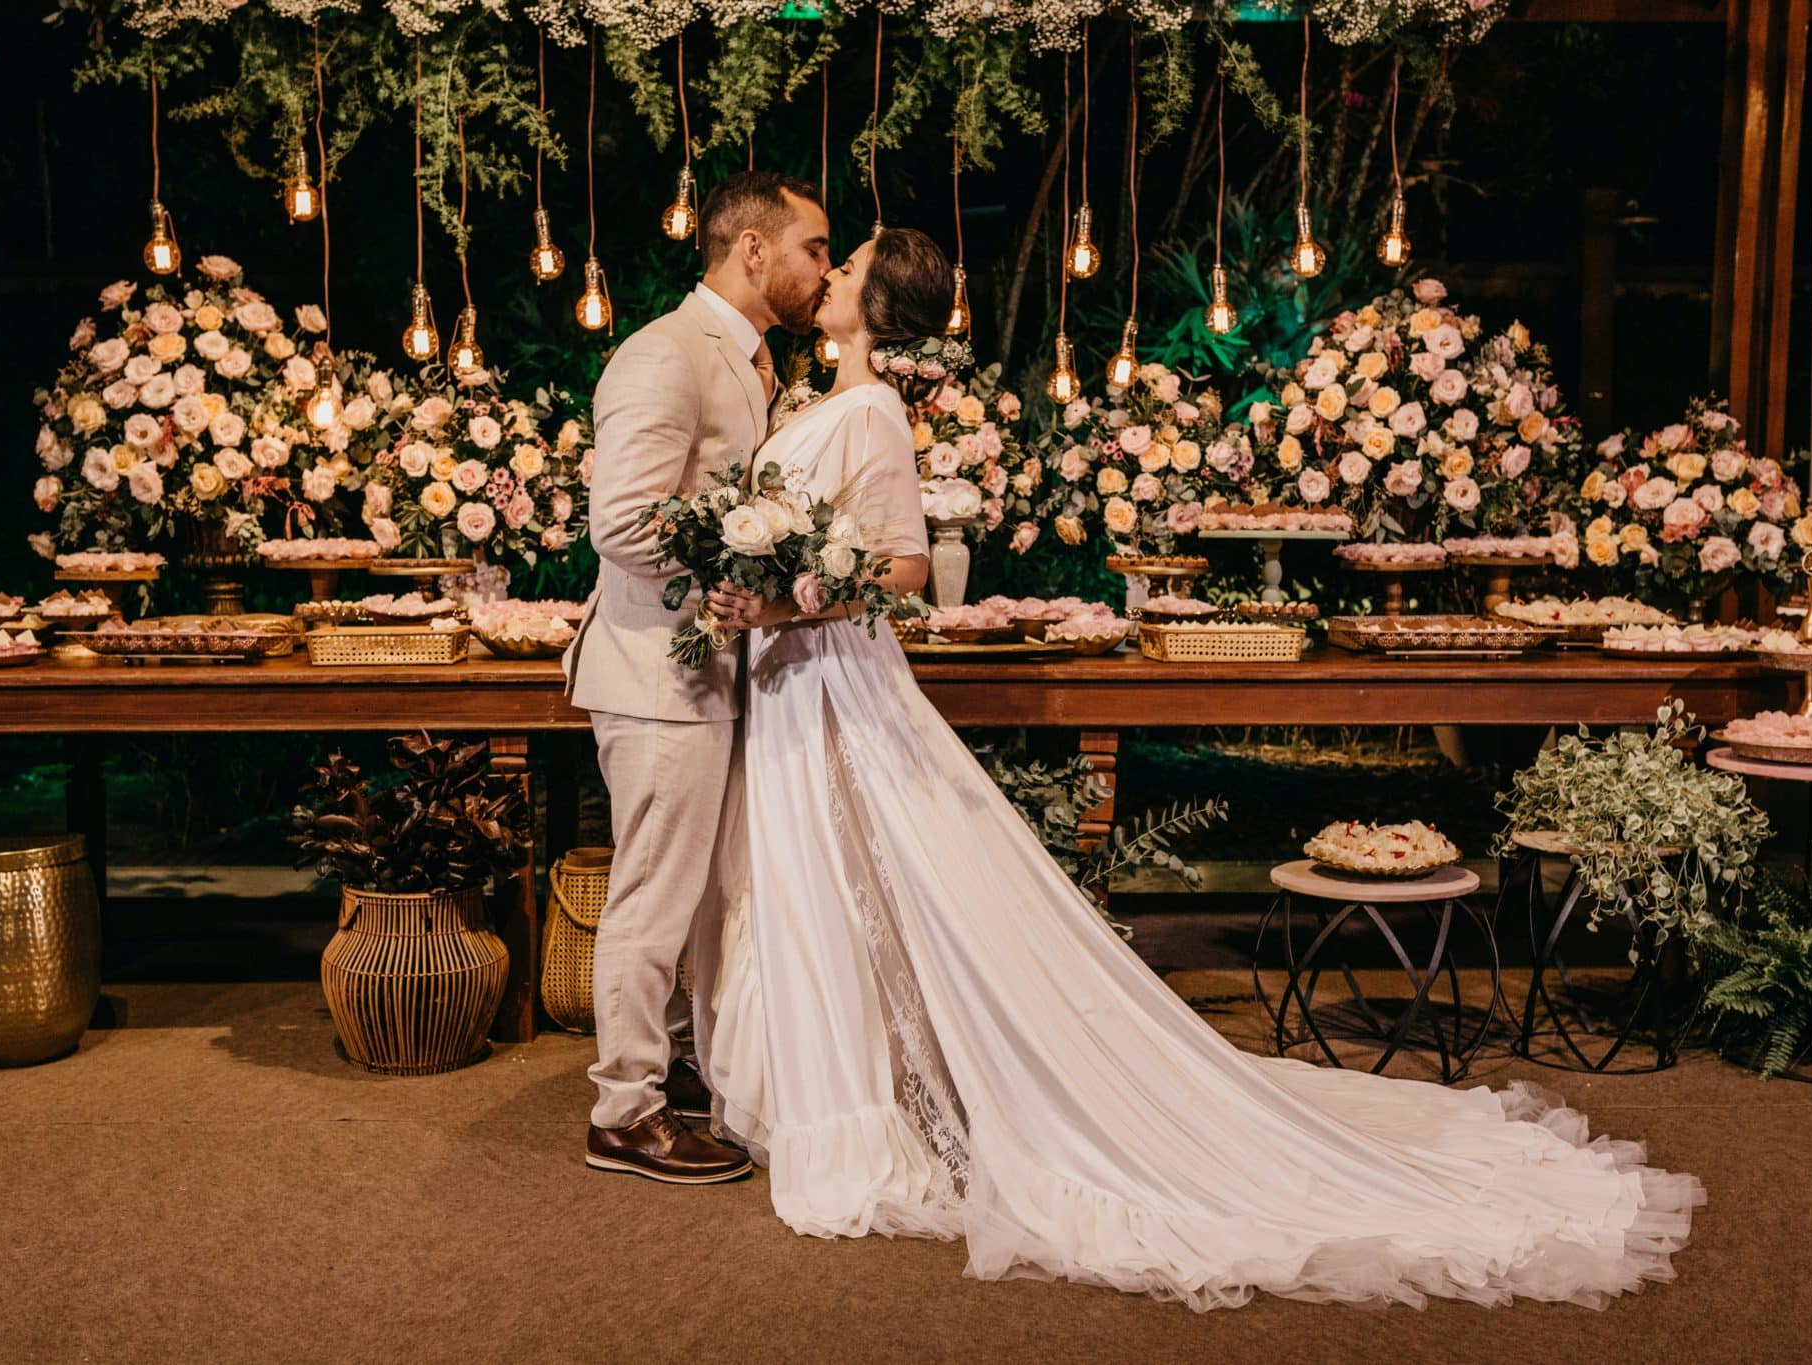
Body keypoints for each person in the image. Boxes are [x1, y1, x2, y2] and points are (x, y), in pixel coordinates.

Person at [699, 227, 1705, 1310]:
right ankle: (860, 1083)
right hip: (789, 679)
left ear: (876, 301)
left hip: (832, 674)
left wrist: (785, 598)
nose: (829, 274)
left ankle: (914, 1103)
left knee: (874, 878)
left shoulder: (874, 411)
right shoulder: (808, 403)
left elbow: (897, 564)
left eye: (845, 266)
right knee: (828, 892)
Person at [561, 169, 830, 1185]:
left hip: (718, 671)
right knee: (651, 897)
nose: (821, 268)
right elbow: (623, 522)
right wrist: (752, 572)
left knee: (708, 900)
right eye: (812, 246)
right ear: (751, 248)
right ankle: (622, 1112)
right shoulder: (663, 353)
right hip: (653, 675)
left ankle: (678, 1074)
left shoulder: (753, 361)